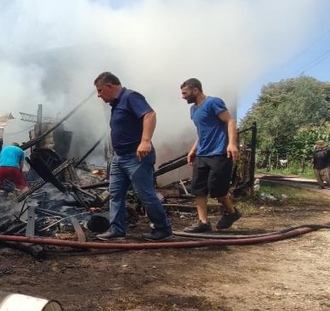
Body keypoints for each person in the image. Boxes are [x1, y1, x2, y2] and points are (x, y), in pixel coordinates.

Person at [93, 71, 173, 241]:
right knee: (115, 194)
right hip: (119, 158)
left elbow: (149, 114)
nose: (98, 95)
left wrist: (145, 141)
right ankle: (117, 229)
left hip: (136, 157)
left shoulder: (131, 97)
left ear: (110, 86)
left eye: (100, 90)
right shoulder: (116, 105)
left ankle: (163, 229)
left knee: (145, 194)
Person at [179, 78, 241, 232]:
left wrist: (232, 143)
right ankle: (203, 223)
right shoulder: (193, 110)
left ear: (195, 90)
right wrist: (193, 150)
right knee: (198, 189)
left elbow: (230, 121)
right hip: (202, 154)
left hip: (219, 153)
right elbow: (202, 132)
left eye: (185, 93)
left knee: (217, 190)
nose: (183, 97)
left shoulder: (213, 102)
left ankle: (232, 213)